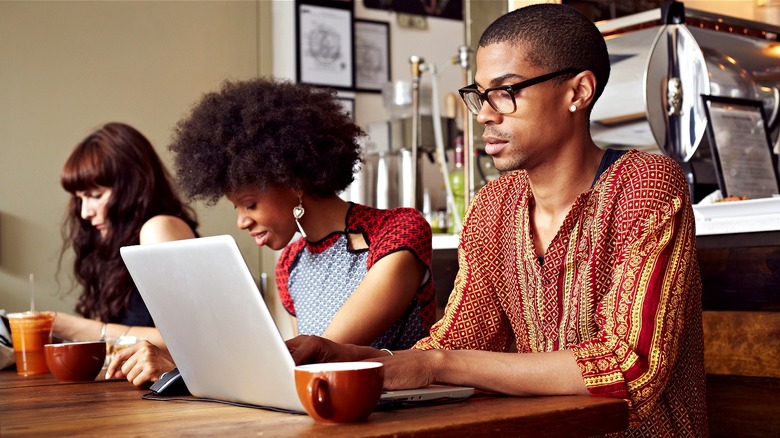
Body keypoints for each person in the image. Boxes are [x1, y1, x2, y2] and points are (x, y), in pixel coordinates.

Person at [285, 4, 707, 436]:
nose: (485, 113)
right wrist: (350, 356)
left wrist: (436, 364)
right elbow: (460, 341)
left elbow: (628, 366)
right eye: (480, 95)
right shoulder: (493, 205)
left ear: (578, 92)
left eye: (506, 92)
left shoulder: (646, 184)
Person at [105, 78, 436, 386]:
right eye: (236, 207)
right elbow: (296, 376)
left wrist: (179, 368)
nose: (241, 221)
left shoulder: (397, 232)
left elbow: (319, 355)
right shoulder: (290, 263)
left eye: (249, 204)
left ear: (292, 181)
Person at [53, 122, 198, 348]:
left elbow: (185, 342)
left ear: (134, 186)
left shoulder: (158, 229)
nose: (84, 212)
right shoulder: (116, 245)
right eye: (80, 198)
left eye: (96, 195)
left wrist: (69, 328)